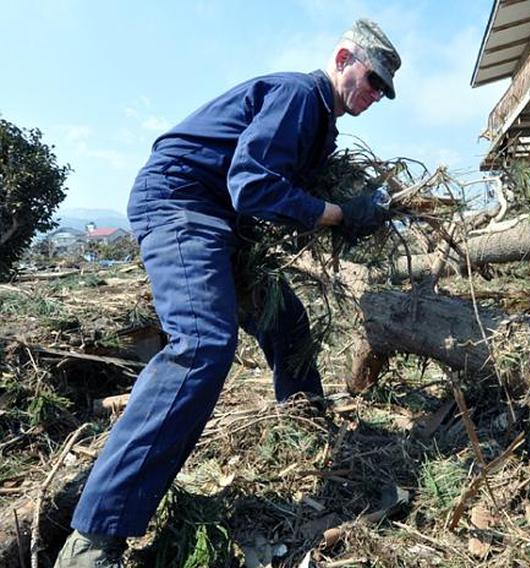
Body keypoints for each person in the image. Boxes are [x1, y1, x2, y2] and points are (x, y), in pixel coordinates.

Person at [54, 18, 400, 567]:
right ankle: (93, 537)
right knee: (201, 348)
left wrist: (356, 212)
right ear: (341, 59)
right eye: (370, 79)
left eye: (382, 91)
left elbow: (280, 194)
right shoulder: (298, 95)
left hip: (220, 220)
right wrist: (336, 215)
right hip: (181, 204)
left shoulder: (320, 127)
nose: (373, 94)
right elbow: (253, 184)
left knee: (285, 320)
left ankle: (304, 424)